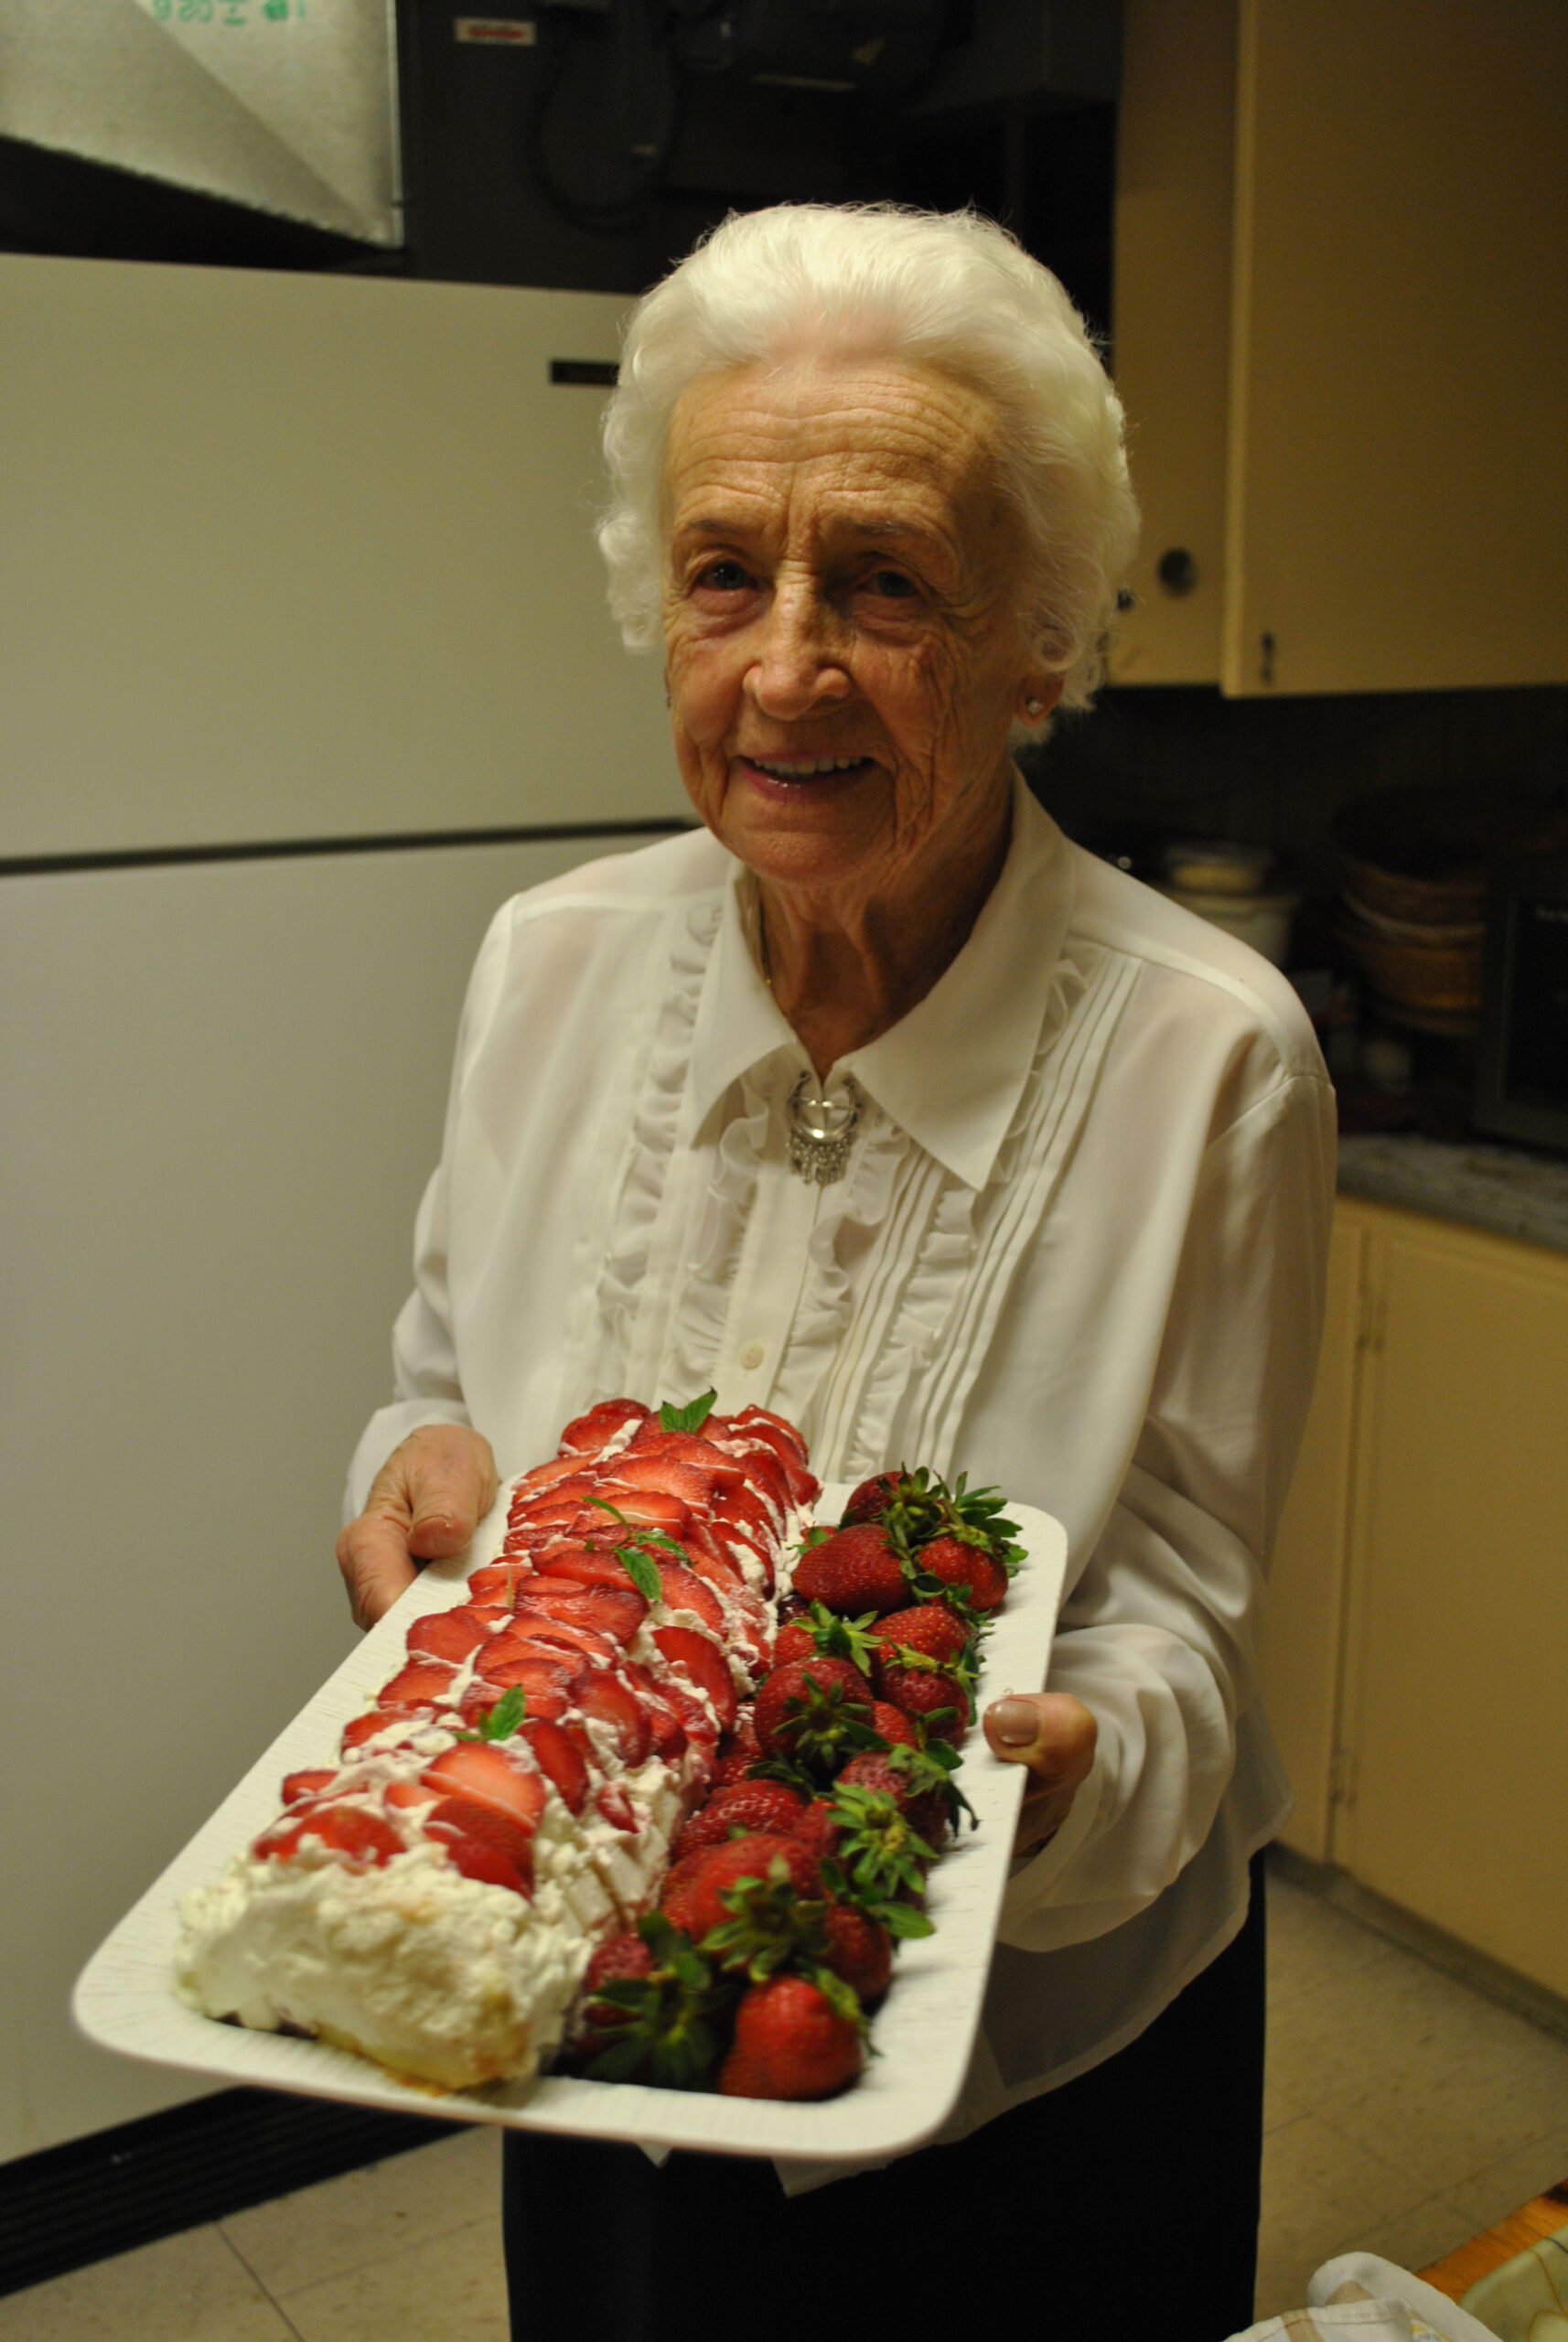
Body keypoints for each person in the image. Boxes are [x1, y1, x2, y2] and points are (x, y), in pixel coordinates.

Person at [337, 204, 1335, 2339]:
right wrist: (423, 1457)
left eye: (880, 580)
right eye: (725, 574)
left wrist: (1066, 1755)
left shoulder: (1208, 1057)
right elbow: (444, 1365)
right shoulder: (546, 965)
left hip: (1018, 2091)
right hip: (596, 2010)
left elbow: (1186, 1626)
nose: (783, 665)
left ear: (1039, 637)